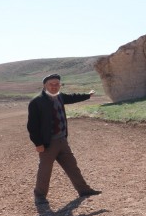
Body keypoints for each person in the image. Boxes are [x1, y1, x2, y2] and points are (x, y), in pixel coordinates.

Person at [27, 73, 101, 205]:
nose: (55, 86)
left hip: (62, 140)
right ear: (45, 85)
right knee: (45, 170)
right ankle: (39, 196)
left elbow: (73, 97)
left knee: (72, 166)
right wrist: (38, 143)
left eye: (57, 84)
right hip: (48, 144)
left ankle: (84, 190)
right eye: (52, 84)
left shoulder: (60, 97)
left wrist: (88, 95)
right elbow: (32, 126)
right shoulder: (37, 101)